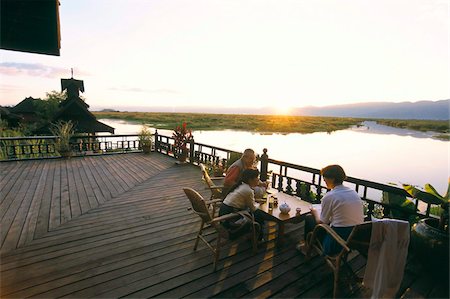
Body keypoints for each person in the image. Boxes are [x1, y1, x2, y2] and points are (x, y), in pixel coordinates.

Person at [298, 164, 364, 256]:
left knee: (309, 218)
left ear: (332, 179)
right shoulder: (353, 193)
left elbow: (321, 222)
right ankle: (308, 245)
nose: (324, 180)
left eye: (325, 178)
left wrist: (315, 212)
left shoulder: (330, 196)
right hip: (354, 239)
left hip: (337, 242)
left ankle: (307, 247)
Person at [219, 169, 268, 239]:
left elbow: (245, 201)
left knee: (256, 214)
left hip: (224, 215)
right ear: (250, 179)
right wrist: (259, 205)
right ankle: (259, 238)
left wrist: (257, 201)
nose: (258, 180)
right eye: (257, 177)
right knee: (259, 214)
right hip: (231, 223)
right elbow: (253, 208)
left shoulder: (241, 185)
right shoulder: (248, 190)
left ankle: (258, 236)